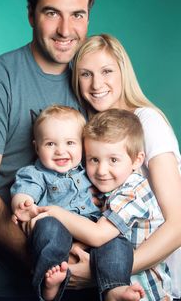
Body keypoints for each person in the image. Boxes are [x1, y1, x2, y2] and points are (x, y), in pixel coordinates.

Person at [0, 0, 106, 301]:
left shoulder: (92, 82)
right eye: (52, 12)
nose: (66, 30)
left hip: (88, 280)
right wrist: (44, 260)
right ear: (30, 14)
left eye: (78, 15)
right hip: (8, 288)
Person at [70, 34, 181, 300]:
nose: (96, 83)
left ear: (123, 73)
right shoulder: (90, 132)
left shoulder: (147, 122)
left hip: (160, 288)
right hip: (118, 286)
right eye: (86, 74)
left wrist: (101, 273)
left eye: (106, 71)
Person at [33, 108, 172, 300]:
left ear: (137, 160)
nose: (102, 170)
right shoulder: (105, 190)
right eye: (94, 160)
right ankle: (50, 290)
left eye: (113, 160)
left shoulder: (133, 191)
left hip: (147, 293)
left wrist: (54, 212)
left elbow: (98, 236)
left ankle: (114, 290)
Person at [11, 105, 143, 301]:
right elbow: (25, 189)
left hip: (92, 232)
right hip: (60, 232)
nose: (60, 151)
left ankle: (114, 288)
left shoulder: (91, 169)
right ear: (36, 147)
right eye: (50, 144)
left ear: (83, 146)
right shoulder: (36, 173)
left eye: (70, 143)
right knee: (48, 228)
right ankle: (49, 286)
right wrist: (24, 204)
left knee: (118, 242)